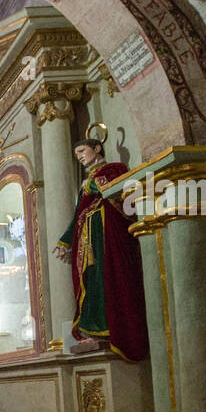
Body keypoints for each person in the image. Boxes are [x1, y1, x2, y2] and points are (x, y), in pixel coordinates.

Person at [53, 137, 149, 362]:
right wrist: (64, 241)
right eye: (76, 155)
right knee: (92, 283)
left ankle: (110, 331)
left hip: (108, 236)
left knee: (110, 279)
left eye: (82, 151)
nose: (80, 157)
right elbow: (78, 213)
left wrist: (92, 183)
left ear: (97, 148)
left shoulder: (114, 169)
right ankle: (93, 331)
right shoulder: (87, 182)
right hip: (88, 241)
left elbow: (119, 193)